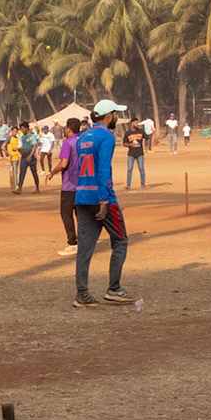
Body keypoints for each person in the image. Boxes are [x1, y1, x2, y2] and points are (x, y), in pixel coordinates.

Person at [72, 101, 135, 308]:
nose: (116, 117)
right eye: (115, 113)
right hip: (101, 197)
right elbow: (103, 170)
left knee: (85, 249)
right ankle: (114, 289)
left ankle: (82, 294)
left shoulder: (83, 136)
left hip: (81, 196)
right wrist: (104, 200)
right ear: (108, 116)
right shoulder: (106, 136)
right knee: (120, 241)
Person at [49, 117, 83, 254]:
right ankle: (84, 240)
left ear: (68, 129)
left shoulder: (68, 143)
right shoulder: (83, 141)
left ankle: (72, 242)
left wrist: (51, 173)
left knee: (66, 213)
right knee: (81, 214)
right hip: (83, 184)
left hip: (69, 185)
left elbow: (63, 163)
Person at [122, 115, 147, 190]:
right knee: (129, 169)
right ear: (132, 123)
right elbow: (124, 144)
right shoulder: (128, 133)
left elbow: (147, 138)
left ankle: (143, 184)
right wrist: (130, 144)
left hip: (140, 153)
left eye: (138, 123)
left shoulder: (141, 131)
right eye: (136, 123)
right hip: (131, 154)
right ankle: (128, 185)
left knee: (141, 169)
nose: (137, 124)